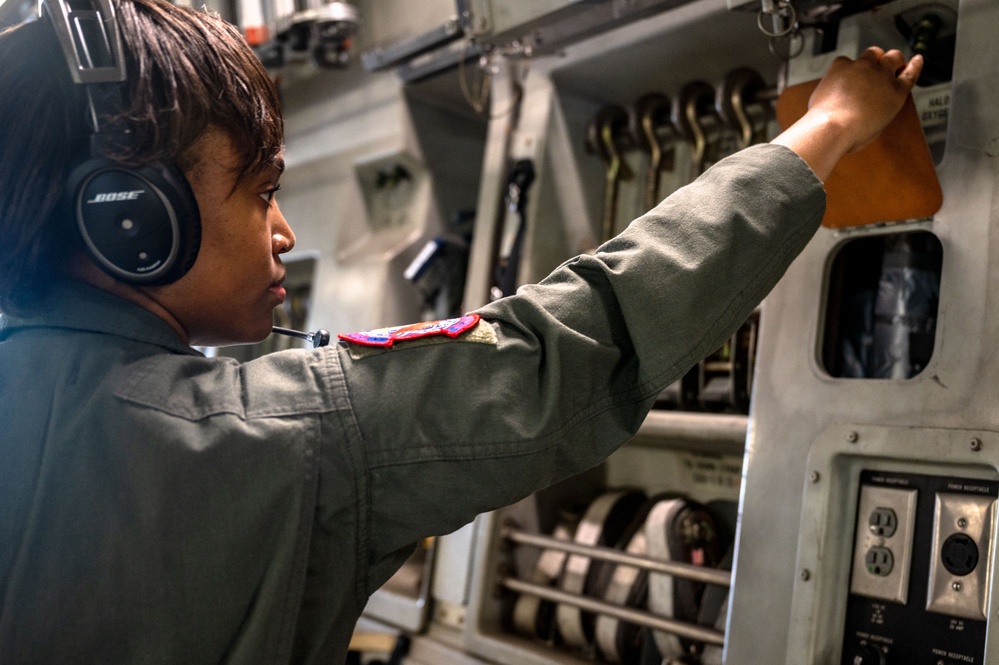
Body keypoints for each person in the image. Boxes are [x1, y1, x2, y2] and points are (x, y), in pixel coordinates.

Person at [0, 0, 922, 662]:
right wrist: (829, 126)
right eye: (262, 190)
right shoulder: (275, 438)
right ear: (130, 217)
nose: (283, 232)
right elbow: (573, 342)